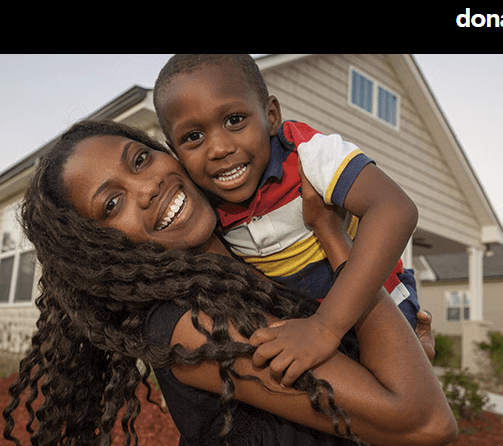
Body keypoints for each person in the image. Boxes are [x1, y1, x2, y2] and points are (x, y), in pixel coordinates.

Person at [2, 120, 455, 446]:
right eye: (112, 204)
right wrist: (333, 237)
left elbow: (380, 387)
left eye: (140, 160)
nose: (147, 188)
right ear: (98, 251)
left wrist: (403, 348)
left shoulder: (256, 267)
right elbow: (423, 422)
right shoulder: (191, 326)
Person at [153, 54, 421, 387]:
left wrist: (326, 326)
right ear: (174, 152)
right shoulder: (202, 205)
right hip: (303, 327)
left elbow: (395, 209)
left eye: (235, 119)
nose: (219, 148)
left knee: (399, 402)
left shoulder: (309, 154)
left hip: (380, 306)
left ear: (271, 116)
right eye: (193, 137)